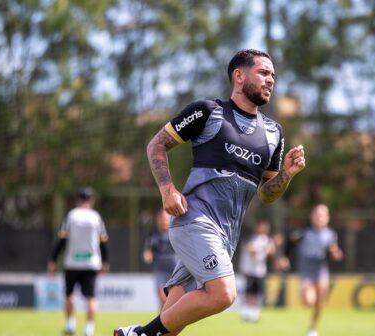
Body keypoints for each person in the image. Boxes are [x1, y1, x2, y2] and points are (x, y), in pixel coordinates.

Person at [114, 48, 306, 336]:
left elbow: (266, 194)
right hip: (195, 222)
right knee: (224, 294)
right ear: (239, 76)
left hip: (227, 237)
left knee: (171, 324)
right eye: (264, 72)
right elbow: (156, 145)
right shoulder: (207, 111)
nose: (271, 80)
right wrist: (167, 190)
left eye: (273, 76)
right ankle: (139, 334)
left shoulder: (274, 133)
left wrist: (287, 175)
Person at [47, 187, 110, 336]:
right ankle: (89, 329)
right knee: (91, 297)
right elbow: (103, 242)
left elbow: (62, 240)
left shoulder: (71, 215)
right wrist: (105, 261)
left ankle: (70, 325)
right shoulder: (96, 217)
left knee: (69, 294)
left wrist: (52, 259)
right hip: (91, 263)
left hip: (72, 263)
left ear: (78, 200)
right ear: (91, 200)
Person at [276, 204, 343, 336]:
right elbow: (290, 244)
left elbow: (332, 250)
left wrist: (336, 254)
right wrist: (285, 257)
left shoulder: (330, 235)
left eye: (323, 215)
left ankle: (313, 328)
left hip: (321, 272)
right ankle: (307, 302)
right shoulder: (304, 233)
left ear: (327, 218)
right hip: (306, 272)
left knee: (319, 304)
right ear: (311, 217)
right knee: (308, 300)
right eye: (317, 215)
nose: (320, 218)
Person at [238, 220, 276, 322]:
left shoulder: (267, 240)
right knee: (248, 292)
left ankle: (254, 312)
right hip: (250, 270)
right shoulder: (251, 237)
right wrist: (263, 249)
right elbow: (251, 250)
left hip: (260, 271)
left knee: (257, 292)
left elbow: (272, 251)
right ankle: (246, 312)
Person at [143, 209, 178, 308]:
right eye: (161, 218)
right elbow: (147, 250)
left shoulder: (175, 233)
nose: (163, 221)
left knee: (174, 298)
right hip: (159, 268)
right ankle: (163, 321)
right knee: (162, 298)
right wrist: (147, 255)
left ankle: (172, 319)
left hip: (174, 268)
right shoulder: (152, 235)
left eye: (166, 218)